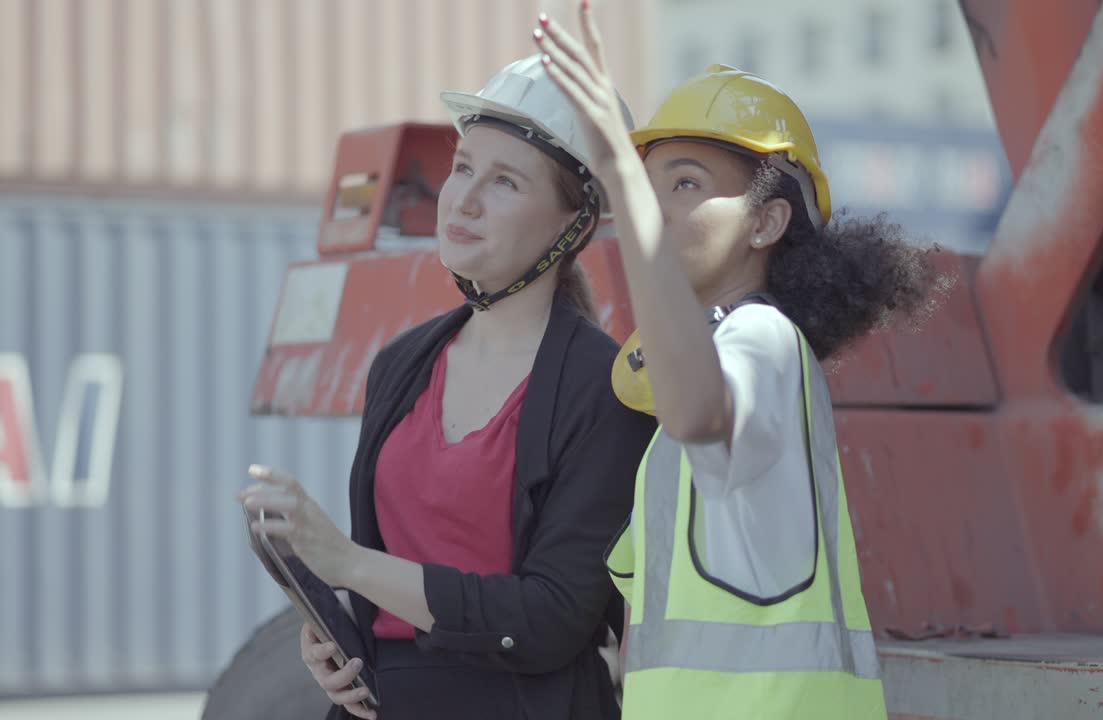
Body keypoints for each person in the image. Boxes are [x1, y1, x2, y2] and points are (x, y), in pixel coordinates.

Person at [533, 6, 945, 718]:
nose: (657, 205)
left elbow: (699, 410)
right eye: (648, 182)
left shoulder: (765, 342)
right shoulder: (684, 391)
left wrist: (619, 182)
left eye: (684, 184)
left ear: (766, 221)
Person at [239, 54, 656, 720]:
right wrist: (343, 624)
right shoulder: (401, 364)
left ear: (570, 225)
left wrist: (347, 565)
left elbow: (548, 620)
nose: (463, 199)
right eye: (462, 168)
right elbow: (392, 570)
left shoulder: (605, 391)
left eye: (505, 182)